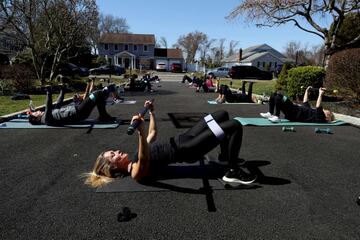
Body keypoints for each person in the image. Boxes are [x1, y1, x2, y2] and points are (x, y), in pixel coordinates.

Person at [84, 102, 256, 188]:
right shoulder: (136, 172)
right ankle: (232, 170)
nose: (117, 151)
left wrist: (151, 113)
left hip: (184, 137)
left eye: (113, 151)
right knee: (234, 126)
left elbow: (152, 134)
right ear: (112, 168)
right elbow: (144, 159)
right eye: (113, 155)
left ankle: (225, 156)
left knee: (221, 114)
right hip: (188, 149)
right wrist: (140, 133)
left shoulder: (136, 154)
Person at [28, 84, 117, 126]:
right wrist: (48, 92)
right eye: (35, 113)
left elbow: (58, 104)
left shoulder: (48, 115)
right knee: (96, 94)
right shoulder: (46, 120)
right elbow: (48, 106)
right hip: (78, 113)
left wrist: (62, 91)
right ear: (37, 119)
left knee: (98, 98)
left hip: (78, 110)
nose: (37, 111)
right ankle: (106, 91)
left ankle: (103, 116)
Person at [260, 86, 335, 122]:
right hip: (293, 111)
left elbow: (318, 106)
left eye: (328, 112)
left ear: (327, 118)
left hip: (295, 112)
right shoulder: (312, 111)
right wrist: (307, 91)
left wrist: (320, 94)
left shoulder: (321, 118)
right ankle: (270, 113)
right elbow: (305, 101)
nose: (325, 110)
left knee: (279, 97)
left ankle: (276, 116)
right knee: (274, 95)